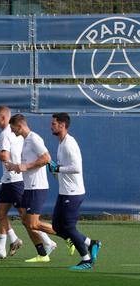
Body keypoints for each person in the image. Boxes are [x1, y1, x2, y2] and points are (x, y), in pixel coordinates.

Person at [48, 113, 102, 270]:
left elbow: (77, 168)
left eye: (54, 124)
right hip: (64, 191)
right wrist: (56, 170)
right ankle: (92, 243)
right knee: (57, 226)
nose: (51, 126)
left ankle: (86, 260)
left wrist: (57, 168)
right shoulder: (61, 143)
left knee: (69, 227)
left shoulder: (69, 144)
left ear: (62, 125)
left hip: (73, 192)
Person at [5, 114, 58, 263]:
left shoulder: (34, 138)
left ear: (20, 126)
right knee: (25, 221)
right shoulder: (25, 140)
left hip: (37, 187)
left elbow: (47, 158)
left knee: (33, 223)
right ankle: (42, 254)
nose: (12, 131)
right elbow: (27, 165)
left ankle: (69, 235)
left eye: (13, 128)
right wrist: (15, 167)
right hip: (28, 188)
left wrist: (26, 166)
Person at [0, 106, 25, 258]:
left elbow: (4, 157)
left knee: (27, 218)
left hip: (15, 180)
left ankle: (48, 241)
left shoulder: (5, 134)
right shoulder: (16, 133)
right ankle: (2, 247)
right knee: (0, 212)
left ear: (3, 118)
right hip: (10, 179)